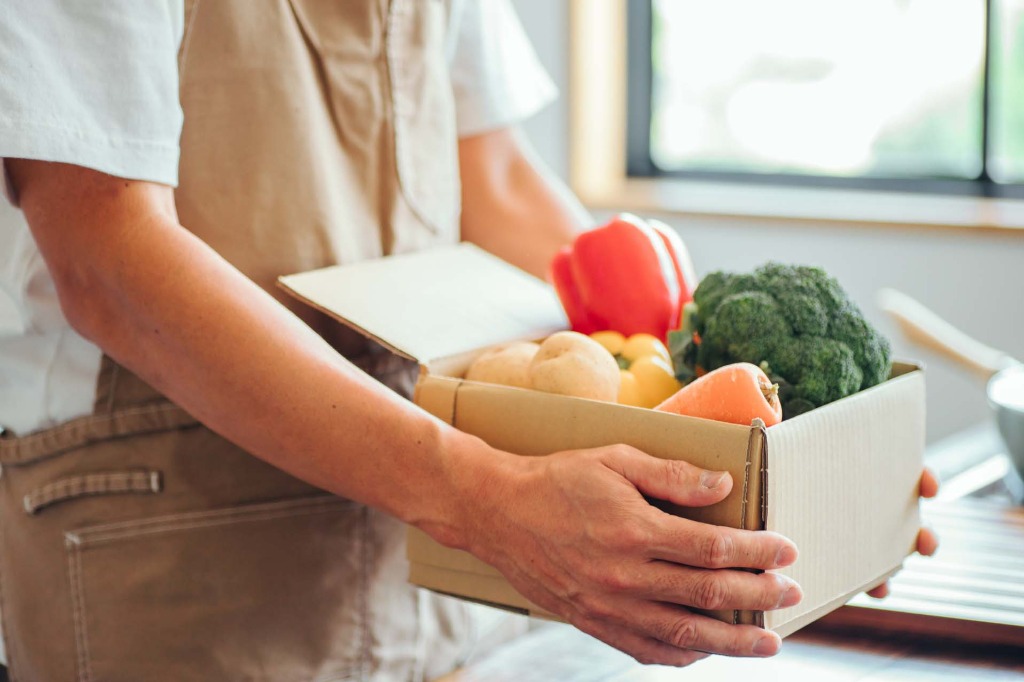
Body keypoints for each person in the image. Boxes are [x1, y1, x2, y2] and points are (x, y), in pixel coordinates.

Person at [0, 1, 937, 680]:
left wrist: (740, 430)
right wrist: (480, 496)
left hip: (425, 534)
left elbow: (488, 173)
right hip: (176, 546)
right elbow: (106, 251)